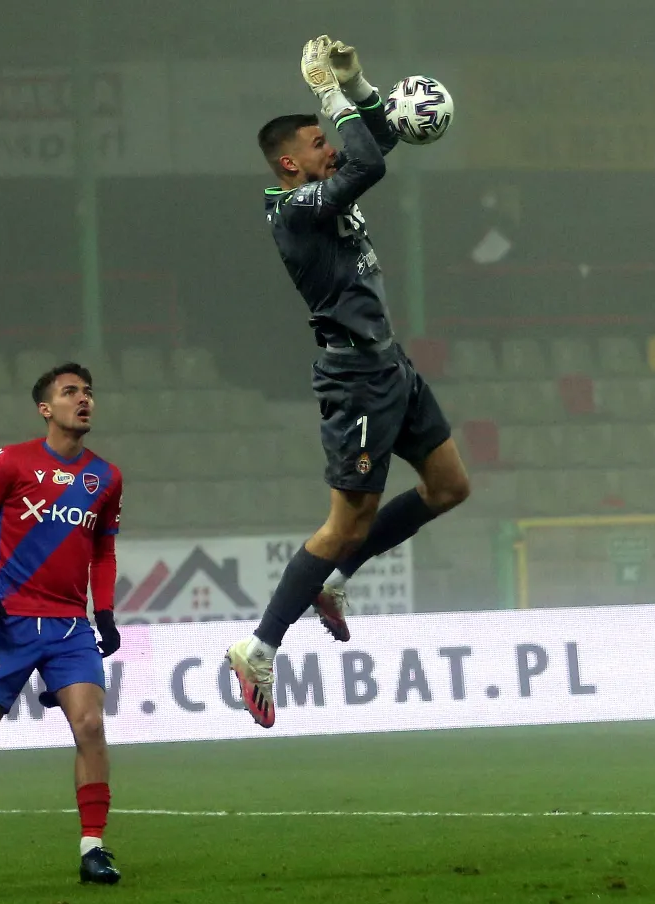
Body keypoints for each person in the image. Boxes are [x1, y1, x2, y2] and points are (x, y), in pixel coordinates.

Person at [228, 37, 470, 728]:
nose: (328, 144)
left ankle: (333, 582)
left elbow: (376, 140)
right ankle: (259, 644)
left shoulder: (323, 186)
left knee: (449, 486)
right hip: (355, 377)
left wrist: (357, 79)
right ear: (290, 161)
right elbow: (366, 158)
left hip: (390, 363)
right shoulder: (294, 209)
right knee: (346, 522)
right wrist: (332, 95)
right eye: (316, 139)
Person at [0, 363, 125, 894]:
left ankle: (93, 850)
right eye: (71, 392)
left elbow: (103, 550)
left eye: (88, 392)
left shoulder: (106, 477)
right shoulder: (10, 462)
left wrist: (103, 611)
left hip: (67, 627)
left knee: (91, 726)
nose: (84, 400)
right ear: (45, 408)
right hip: (6, 624)